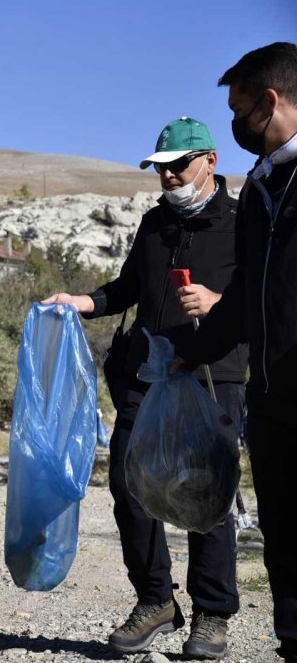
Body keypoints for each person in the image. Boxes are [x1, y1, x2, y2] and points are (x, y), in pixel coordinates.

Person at [43, 117, 247, 660]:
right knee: (132, 487)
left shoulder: (243, 222)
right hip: (147, 376)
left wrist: (220, 305)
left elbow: (270, 300)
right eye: (160, 170)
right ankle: (155, 599)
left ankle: (212, 614)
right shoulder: (155, 224)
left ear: (210, 160)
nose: (169, 178)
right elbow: (129, 286)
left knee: (208, 494)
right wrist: (84, 303)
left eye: (178, 166)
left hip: (210, 376)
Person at [174, 42, 297, 663]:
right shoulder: (263, 188)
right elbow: (245, 299)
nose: (237, 121)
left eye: (241, 109)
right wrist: (193, 355)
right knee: (284, 549)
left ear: (271, 102)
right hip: (272, 403)